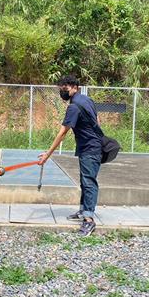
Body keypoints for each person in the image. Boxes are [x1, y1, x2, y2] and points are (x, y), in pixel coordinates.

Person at [38, 75, 102, 237]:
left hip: (90, 148)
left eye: (65, 88)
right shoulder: (87, 100)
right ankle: (83, 210)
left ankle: (89, 220)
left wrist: (47, 155)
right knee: (85, 179)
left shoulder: (74, 107)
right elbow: (98, 120)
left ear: (74, 87)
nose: (63, 91)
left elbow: (62, 133)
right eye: (61, 89)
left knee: (89, 182)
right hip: (91, 145)